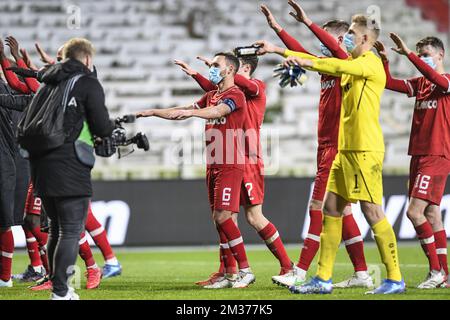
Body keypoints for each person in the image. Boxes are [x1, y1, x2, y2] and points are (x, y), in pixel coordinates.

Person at [255, 13, 404, 295]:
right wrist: (282, 50)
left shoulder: (369, 64)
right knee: (331, 209)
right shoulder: (349, 65)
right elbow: (327, 63)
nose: (345, 36)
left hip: (364, 150)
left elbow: (330, 61)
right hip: (344, 151)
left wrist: (299, 44)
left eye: (349, 32)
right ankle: (322, 279)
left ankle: (395, 278)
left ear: (363, 38)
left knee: (372, 211)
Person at [173, 51, 292, 288]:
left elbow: (234, 82)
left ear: (244, 69)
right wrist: (197, 74)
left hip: (248, 158)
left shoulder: (255, 86)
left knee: (253, 217)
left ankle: (287, 266)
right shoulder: (231, 92)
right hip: (230, 155)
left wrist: (223, 70)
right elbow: (213, 90)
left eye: (236, 69)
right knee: (225, 218)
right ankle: (228, 272)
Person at [137, 52, 256, 288]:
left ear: (230, 70)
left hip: (230, 161)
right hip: (213, 163)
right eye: (211, 64)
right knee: (219, 220)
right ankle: (229, 274)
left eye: (215, 65)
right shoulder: (211, 95)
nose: (211, 68)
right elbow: (181, 111)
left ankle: (246, 270)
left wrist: (192, 112)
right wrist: (154, 112)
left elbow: (219, 112)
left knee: (223, 217)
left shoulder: (236, 95)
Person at [28, 38, 115, 300]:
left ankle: (60, 288)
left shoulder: (48, 82)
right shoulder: (86, 83)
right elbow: (102, 126)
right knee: (70, 230)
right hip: (69, 164)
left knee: (55, 228)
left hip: (40, 165)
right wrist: (109, 134)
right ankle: (61, 291)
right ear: (87, 59)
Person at [374, 35, 449, 288]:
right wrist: (385, 61)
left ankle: (436, 271)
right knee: (432, 214)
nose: (423, 56)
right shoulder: (420, 84)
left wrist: (409, 55)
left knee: (413, 212)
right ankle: (446, 275)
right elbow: (388, 83)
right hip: (418, 154)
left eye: (426, 53)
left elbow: (436, 78)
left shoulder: (446, 81)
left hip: (437, 154)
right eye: (420, 53)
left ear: (440, 55)